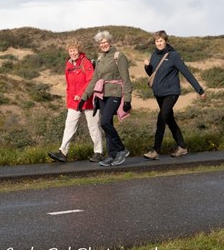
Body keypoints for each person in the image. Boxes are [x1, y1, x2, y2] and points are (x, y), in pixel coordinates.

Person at [143, 30, 206, 160]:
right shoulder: (154, 55)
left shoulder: (173, 56)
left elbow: (186, 73)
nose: (159, 43)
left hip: (171, 92)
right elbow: (153, 74)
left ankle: (155, 150)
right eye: (157, 41)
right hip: (159, 93)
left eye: (161, 40)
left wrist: (199, 90)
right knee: (169, 119)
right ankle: (182, 147)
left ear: (165, 41)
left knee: (161, 118)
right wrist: (147, 67)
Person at [78, 30, 133, 167]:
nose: (103, 45)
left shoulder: (118, 56)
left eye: (105, 42)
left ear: (110, 42)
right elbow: (94, 80)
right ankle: (111, 155)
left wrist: (127, 99)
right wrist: (84, 98)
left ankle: (121, 149)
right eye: (101, 43)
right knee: (107, 125)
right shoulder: (100, 59)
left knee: (104, 122)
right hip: (102, 94)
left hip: (115, 93)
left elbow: (126, 79)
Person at [49, 39, 105, 163]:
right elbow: (69, 85)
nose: (73, 53)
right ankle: (63, 152)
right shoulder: (68, 65)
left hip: (88, 100)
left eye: (74, 50)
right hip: (73, 102)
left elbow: (91, 81)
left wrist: (81, 95)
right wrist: (69, 100)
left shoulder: (86, 63)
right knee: (69, 126)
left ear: (79, 50)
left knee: (93, 126)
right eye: (70, 50)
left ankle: (99, 152)